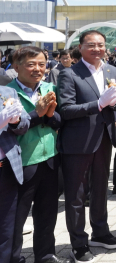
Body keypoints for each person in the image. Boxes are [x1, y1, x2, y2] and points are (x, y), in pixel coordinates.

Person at [58, 30, 116, 262]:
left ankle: (101, 231)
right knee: (76, 195)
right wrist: (97, 104)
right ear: (81, 47)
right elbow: (65, 110)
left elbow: (113, 102)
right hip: (78, 142)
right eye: (91, 45)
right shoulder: (69, 74)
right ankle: (79, 243)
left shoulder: (112, 70)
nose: (97, 49)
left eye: (101, 45)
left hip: (104, 138)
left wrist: (114, 105)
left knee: (99, 189)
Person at [7, 47, 68, 263]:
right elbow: (12, 128)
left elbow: (58, 122)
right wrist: (37, 114)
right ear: (16, 67)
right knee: (16, 218)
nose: (38, 69)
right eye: (31, 64)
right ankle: (14, 258)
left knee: (47, 213)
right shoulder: (7, 92)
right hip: (22, 164)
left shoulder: (50, 88)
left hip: (50, 159)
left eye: (42, 64)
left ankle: (45, 255)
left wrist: (49, 116)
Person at [0, 86, 29, 263]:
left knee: (7, 224)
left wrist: (15, 121)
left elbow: (25, 124)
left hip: (7, 166)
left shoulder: (7, 92)